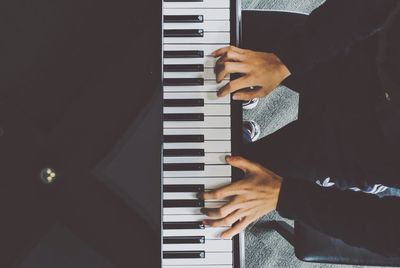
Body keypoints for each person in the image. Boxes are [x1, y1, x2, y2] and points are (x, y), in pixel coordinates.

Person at [199, 0, 400, 256]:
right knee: (214, 38)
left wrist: (283, 196)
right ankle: (245, 88)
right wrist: (284, 60)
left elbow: (391, 231)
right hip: (360, 57)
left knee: (212, 190)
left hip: (366, 153)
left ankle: (239, 123)